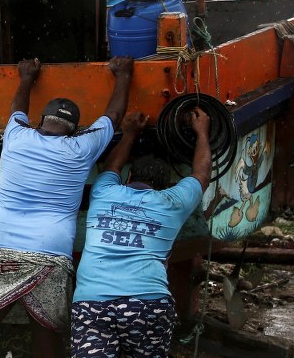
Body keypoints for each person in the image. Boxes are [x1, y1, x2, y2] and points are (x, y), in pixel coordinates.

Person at [0, 56, 134, 358]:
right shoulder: (82, 148)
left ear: (39, 123)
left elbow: (17, 109)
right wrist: (123, 75)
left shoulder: (16, 136)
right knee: (47, 341)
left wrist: (26, 77)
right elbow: (114, 114)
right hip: (48, 252)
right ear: (75, 131)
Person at [70, 108, 210, 358]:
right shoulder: (172, 203)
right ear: (166, 187)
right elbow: (201, 174)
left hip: (92, 303)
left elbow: (112, 165)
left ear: (129, 177)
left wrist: (130, 134)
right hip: (148, 304)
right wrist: (202, 133)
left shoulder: (104, 193)